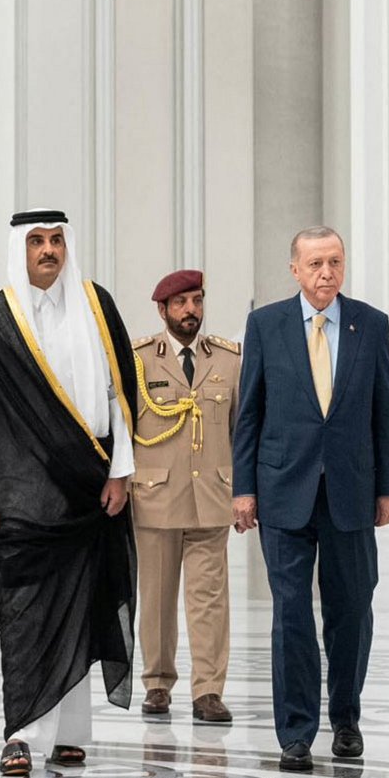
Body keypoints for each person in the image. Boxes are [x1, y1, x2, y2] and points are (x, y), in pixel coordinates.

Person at [0, 209, 139, 777]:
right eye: (36, 241)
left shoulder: (97, 306)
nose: (48, 250)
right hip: (18, 498)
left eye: (57, 240)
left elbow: (119, 396)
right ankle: (19, 734)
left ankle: (69, 735)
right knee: (23, 613)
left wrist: (121, 472)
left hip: (89, 487)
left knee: (81, 608)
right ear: (20, 248)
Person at [232, 226, 389, 772]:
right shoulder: (265, 325)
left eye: (334, 262)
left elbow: (384, 411)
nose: (326, 273)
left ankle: (346, 718)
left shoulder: (371, 324)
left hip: (351, 491)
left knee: (351, 609)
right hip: (283, 489)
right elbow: (249, 413)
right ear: (295, 269)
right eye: (315, 264)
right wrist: (244, 488)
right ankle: (296, 732)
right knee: (291, 614)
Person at [132, 269, 239, 724]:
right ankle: (158, 682)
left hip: (211, 494)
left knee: (209, 597)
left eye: (196, 300)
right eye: (180, 303)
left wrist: (246, 489)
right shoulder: (138, 359)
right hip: (156, 496)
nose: (190, 310)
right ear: (163, 310)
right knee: (156, 597)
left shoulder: (229, 359)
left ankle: (209, 691)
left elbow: (242, 429)